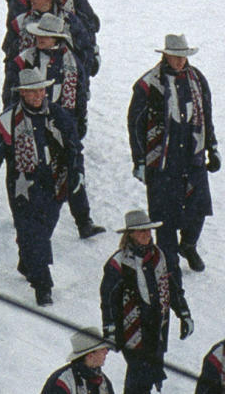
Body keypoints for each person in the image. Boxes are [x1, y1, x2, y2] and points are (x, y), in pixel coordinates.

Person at [0, 68, 84, 306]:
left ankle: (27, 262)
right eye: (32, 92)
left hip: (55, 184)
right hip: (23, 188)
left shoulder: (58, 115)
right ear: (22, 93)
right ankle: (43, 285)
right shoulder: (7, 122)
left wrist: (77, 172)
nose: (38, 96)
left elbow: (74, 148)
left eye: (41, 90)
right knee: (33, 235)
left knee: (42, 231)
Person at [4, 13, 105, 240]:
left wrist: (79, 122)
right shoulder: (24, 60)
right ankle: (21, 213)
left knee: (73, 168)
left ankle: (83, 221)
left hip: (62, 123)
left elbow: (80, 95)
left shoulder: (71, 61)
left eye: (46, 36)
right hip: (29, 122)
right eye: (39, 35)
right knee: (23, 168)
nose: (40, 39)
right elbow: (11, 90)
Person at [128, 35, 217, 276]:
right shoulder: (148, 84)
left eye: (183, 56)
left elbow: (206, 116)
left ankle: (188, 245)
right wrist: (140, 159)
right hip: (162, 160)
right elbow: (136, 124)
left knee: (198, 207)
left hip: (192, 154)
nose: (180, 61)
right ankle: (168, 263)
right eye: (175, 56)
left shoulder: (197, 79)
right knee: (164, 215)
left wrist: (212, 147)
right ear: (165, 55)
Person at [100, 210, 193, 394]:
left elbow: (172, 288)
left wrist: (184, 314)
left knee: (149, 374)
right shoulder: (119, 263)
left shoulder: (159, 257)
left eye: (148, 231)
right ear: (130, 235)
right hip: (132, 331)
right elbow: (108, 299)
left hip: (157, 328)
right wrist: (109, 328)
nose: (146, 235)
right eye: (141, 231)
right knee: (138, 377)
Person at [2, 0, 95, 73]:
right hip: (27, 83)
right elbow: (8, 48)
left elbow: (86, 51)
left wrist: (79, 73)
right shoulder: (21, 21)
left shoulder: (69, 22)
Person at [41, 327, 115, 394]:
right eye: (102, 349)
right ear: (90, 356)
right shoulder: (63, 382)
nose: (106, 351)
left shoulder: (103, 382)